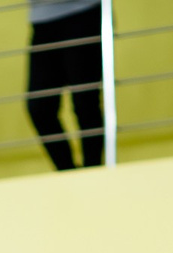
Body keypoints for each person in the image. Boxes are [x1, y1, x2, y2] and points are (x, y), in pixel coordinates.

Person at [26, 2, 106, 171]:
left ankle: (93, 172)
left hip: (84, 12)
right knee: (39, 108)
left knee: (85, 101)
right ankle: (68, 174)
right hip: (42, 20)